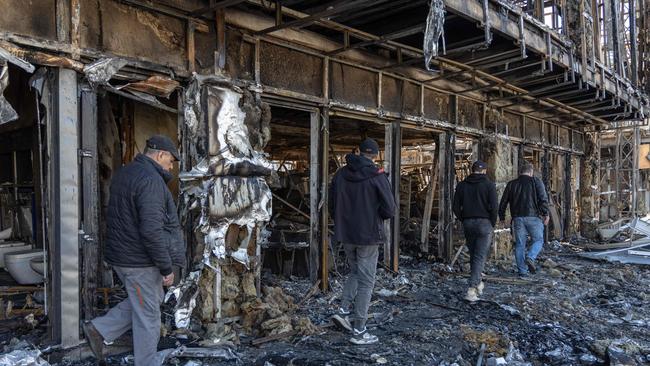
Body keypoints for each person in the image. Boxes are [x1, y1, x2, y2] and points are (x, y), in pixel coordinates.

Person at [82, 135, 186, 365]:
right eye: (171, 161)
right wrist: (166, 267)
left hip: (125, 255)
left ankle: (99, 330)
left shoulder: (126, 172)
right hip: (138, 261)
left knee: (150, 299)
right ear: (160, 155)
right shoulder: (150, 181)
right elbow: (151, 231)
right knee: (148, 315)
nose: (171, 166)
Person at [329, 138, 396, 345]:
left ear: (358, 152)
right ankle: (359, 330)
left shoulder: (340, 174)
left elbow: (332, 205)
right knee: (367, 282)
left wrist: (342, 222)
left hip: (346, 234)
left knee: (356, 272)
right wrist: (377, 216)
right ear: (375, 155)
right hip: (367, 235)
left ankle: (342, 310)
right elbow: (390, 209)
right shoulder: (377, 175)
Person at [452, 161, 498, 302]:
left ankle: (478, 283)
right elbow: (495, 206)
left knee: (474, 254)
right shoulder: (489, 185)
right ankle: (472, 290)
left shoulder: (462, 185)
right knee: (479, 256)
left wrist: (463, 218)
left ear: (472, 171)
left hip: (468, 223)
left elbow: (455, 207)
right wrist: (492, 222)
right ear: (484, 171)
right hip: (484, 223)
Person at [498, 162, 549, 276]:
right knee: (538, 240)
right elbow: (543, 198)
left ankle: (522, 272)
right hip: (533, 217)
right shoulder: (536, 182)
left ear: (520, 172)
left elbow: (503, 202)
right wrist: (546, 214)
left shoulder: (512, 184)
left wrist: (502, 218)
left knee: (520, 244)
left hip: (518, 218)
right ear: (531, 172)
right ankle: (530, 257)